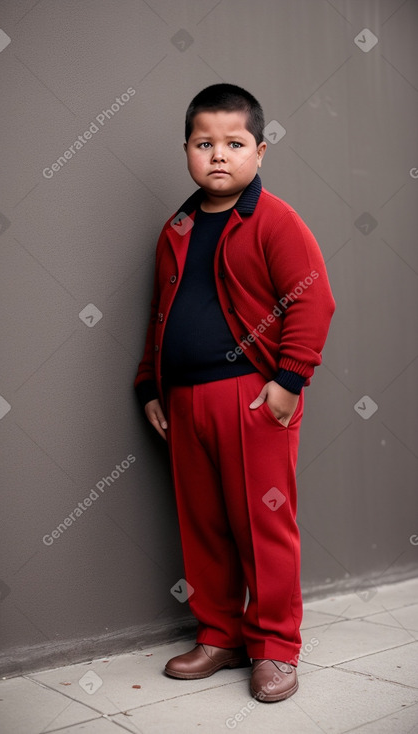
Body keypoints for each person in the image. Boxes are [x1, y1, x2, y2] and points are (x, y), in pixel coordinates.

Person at [134, 83, 335, 702]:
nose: (218, 155)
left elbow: (314, 299)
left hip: (251, 396)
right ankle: (220, 633)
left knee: (262, 524)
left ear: (260, 151)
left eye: (234, 143)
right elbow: (162, 313)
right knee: (204, 524)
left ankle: (275, 645)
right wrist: (150, 383)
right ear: (187, 150)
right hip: (186, 401)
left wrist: (287, 382)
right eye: (204, 143)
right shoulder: (177, 226)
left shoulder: (274, 219)